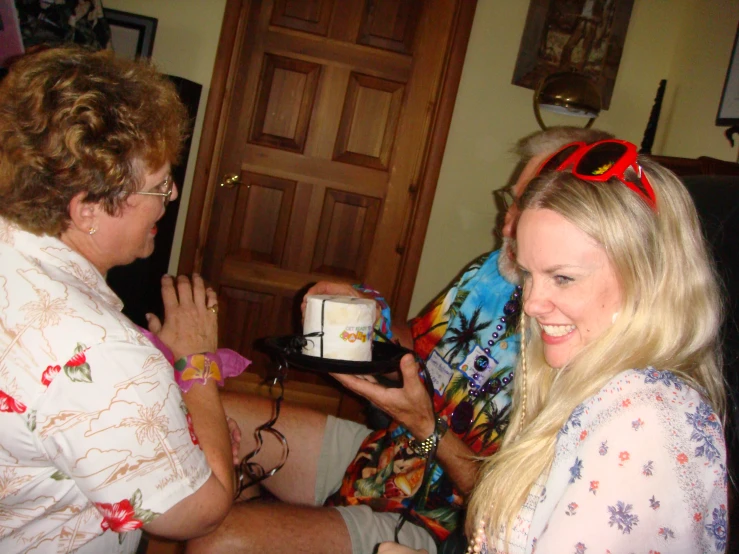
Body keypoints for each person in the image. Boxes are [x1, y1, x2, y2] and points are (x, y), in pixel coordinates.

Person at [186, 127, 613, 554]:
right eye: (513, 201)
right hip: (384, 456)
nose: (506, 225)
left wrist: (426, 427)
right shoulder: (491, 270)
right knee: (204, 413)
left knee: (221, 543)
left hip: (440, 520)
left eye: (528, 207)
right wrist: (366, 314)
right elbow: (419, 349)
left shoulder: (584, 346)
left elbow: (506, 510)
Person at [0, 46, 239, 553]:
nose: (170, 199)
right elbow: (199, 512)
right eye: (159, 186)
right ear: (87, 208)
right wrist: (196, 362)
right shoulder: (103, 352)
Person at [453, 140, 726, 553]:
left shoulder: (642, 424)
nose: (530, 303)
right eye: (528, 274)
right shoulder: (595, 387)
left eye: (562, 278)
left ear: (648, 281)